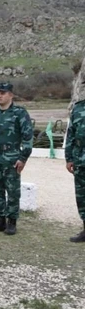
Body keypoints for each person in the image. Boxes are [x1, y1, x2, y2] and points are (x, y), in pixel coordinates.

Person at [0, 82, 33, 236]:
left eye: (2, 93)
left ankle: (12, 222)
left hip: (12, 158)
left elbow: (28, 137)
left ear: (11, 95)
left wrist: (23, 158)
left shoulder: (19, 113)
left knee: (12, 191)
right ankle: (0, 220)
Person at [65, 99, 85, 242]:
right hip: (80, 160)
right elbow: (70, 134)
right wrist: (69, 158)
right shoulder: (78, 108)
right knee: (82, 197)